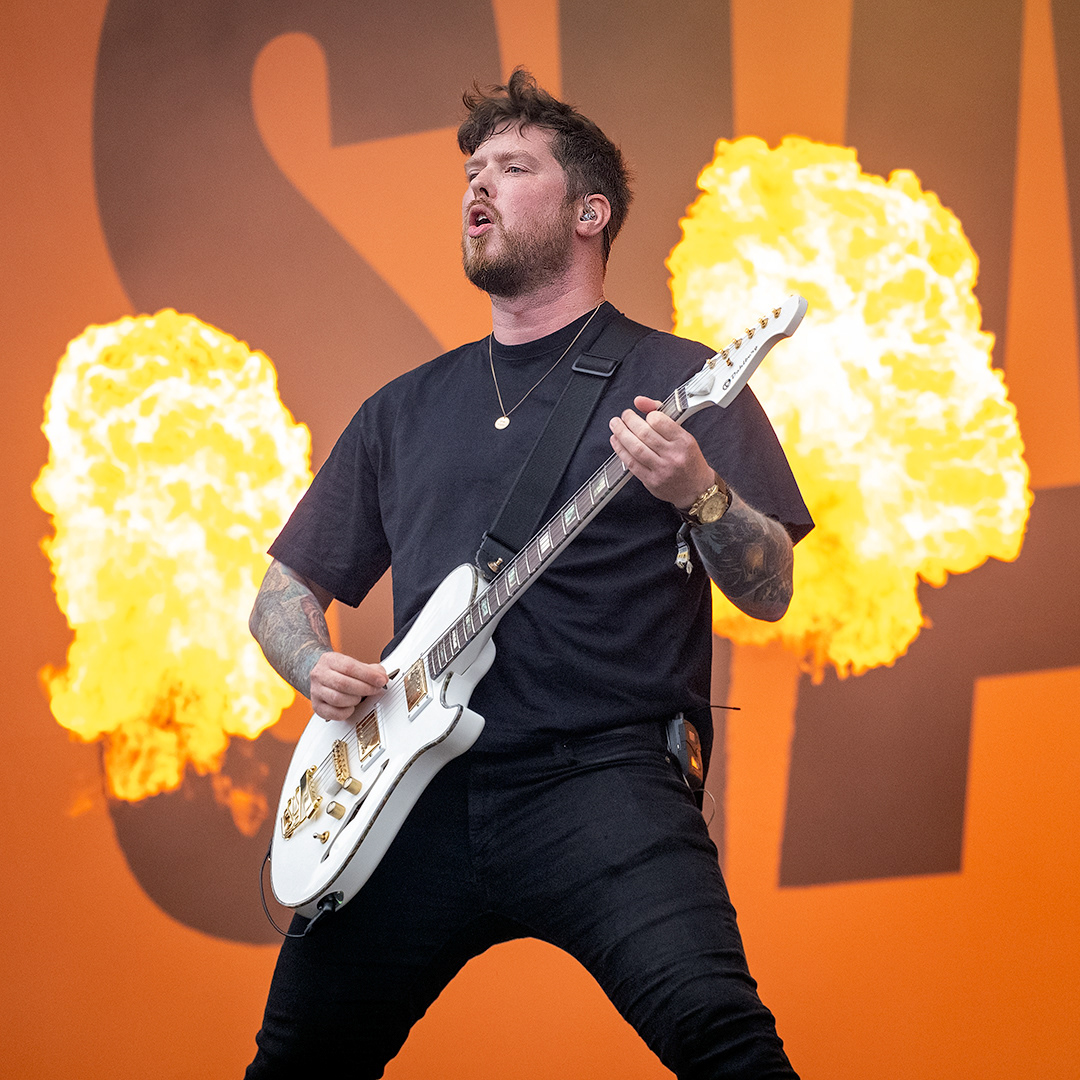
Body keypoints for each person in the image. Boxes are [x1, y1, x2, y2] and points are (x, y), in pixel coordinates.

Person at [245, 69, 812, 1079]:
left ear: (590, 213)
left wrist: (700, 493)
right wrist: (312, 665)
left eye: (512, 168)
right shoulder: (402, 410)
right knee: (294, 1064)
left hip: (602, 778)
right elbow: (283, 592)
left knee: (723, 1042)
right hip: (408, 792)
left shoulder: (679, 382)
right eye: (473, 170)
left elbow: (769, 590)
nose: (478, 185)